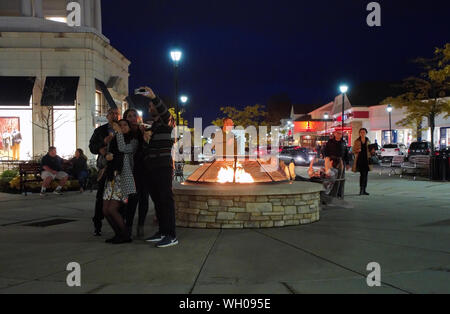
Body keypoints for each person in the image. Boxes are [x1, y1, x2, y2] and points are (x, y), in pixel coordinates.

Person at [140, 86, 178, 248]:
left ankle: (171, 235)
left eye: (151, 106)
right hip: (153, 166)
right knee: (157, 200)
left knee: (165, 200)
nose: (149, 108)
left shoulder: (167, 120)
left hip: (163, 166)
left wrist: (154, 97)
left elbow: (164, 112)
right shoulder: (155, 126)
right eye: (149, 106)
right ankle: (162, 231)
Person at [103, 119, 138, 244]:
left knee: (112, 209)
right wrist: (107, 156)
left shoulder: (133, 141)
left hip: (123, 178)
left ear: (129, 127)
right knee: (105, 210)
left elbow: (123, 148)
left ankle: (125, 235)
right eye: (119, 125)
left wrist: (118, 133)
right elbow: (106, 155)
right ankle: (117, 234)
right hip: (111, 178)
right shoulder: (113, 140)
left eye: (125, 125)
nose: (122, 127)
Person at [89, 108, 119, 236]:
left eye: (117, 113)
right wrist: (102, 145)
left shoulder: (121, 128)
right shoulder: (100, 130)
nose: (114, 115)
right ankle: (97, 224)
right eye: (112, 113)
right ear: (107, 116)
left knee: (118, 195)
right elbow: (92, 147)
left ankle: (120, 220)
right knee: (101, 196)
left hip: (118, 166)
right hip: (105, 167)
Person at [123, 108, 150, 239]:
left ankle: (140, 226)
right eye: (129, 116)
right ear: (125, 118)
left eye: (135, 115)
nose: (133, 118)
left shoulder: (143, 132)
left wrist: (145, 137)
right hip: (129, 171)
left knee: (144, 199)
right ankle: (128, 227)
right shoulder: (124, 134)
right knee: (132, 200)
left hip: (143, 171)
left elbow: (147, 150)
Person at [323, 130, 350, 199]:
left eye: (340, 134)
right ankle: (331, 194)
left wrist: (347, 163)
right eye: (337, 133)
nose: (339, 135)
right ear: (334, 134)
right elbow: (325, 151)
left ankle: (340, 194)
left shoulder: (343, 143)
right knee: (331, 177)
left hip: (341, 162)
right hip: (331, 161)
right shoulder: (330, 142)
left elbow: (346, 154)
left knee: (340, 178)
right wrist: (327, 159)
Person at [352, 128, 372, 196]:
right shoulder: (357, 141)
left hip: (367, 160)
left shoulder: (368, 140)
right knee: (362, 175)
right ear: (359, 133)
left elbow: (370, 149)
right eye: (361, 132)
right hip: (360, 159)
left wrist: (372, 151)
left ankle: (364, 190)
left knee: (365, 175)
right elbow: (353, 150)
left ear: (366, 133)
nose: (362, 133)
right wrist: (357, 150)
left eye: (364, 132)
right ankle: (361, 190)